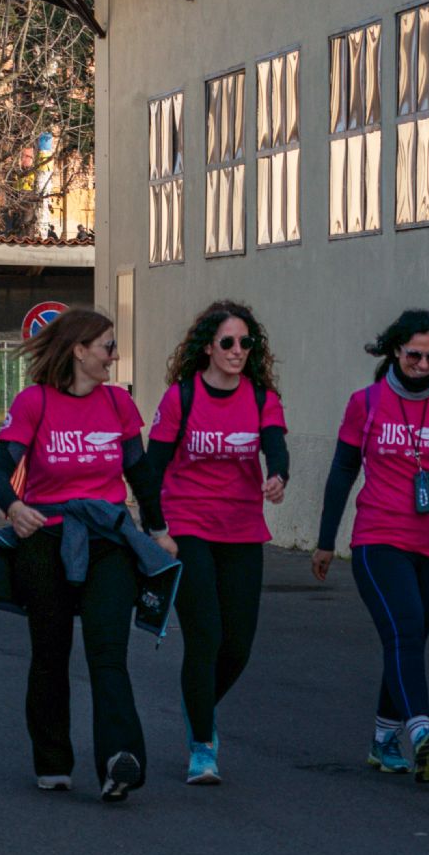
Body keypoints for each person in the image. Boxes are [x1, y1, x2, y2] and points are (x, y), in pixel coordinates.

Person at [0, 306, 171, 803]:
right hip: (46, 538)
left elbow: (140, 473)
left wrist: (158, 532)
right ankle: (52, 760)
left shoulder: (118, 404)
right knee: (50, 652)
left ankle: (119, 759)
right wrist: (14, 507)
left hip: (108, 540)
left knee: (108, 653)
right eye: (108, 347)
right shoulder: (34, 402)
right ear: (79, 350)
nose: (114, 356)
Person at [312, 309, 429, 783]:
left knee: (407, 640)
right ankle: (421, 731)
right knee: (406, 630)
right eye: (415, 355)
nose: (423, 364)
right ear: (396, 351)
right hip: (379, 540)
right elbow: (342, 472)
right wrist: (326, 541)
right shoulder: (366, 402)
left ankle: (383, 738)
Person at [146, 300, 288, 785]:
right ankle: (203, 747)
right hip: (188, 526)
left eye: (246, 342)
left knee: (237, 646)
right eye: (228, 342)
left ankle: (198, 709)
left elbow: (276, 446)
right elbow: (152, 466)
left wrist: (278, 476)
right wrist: (156, 529)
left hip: (242, 529)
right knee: (205, 636)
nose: (237, 350)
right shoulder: (181, 398)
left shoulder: (262, 398)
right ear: (208, 346)